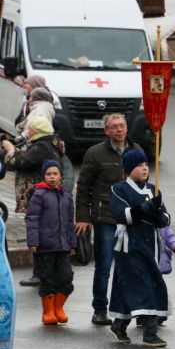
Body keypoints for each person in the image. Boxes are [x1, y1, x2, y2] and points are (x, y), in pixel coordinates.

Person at [75, 113, 143, 326]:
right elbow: (83, 187)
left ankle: (134, 307)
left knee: (133, 266)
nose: (119, 130)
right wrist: (83, 217)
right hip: (105, 217)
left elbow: (144, 182)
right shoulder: (95, 154)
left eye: (122, 125)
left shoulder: (137, 150)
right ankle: (100, 309)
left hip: (132, 217)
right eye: (114, 127)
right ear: (106, 131)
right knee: (104, 266)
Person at [108, 149, 171, 347]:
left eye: (146, 164)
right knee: (143, 285)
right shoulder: (119, 189)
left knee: (135, 285)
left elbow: (166, 218)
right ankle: (150, 332)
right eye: (139, 165)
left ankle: (119, 324)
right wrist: (143, 209)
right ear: (128, 170)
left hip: (149, 245)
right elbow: (121, 214)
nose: (144, 168)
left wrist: (158, 215)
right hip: (129, 246)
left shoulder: (154, 189)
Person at [3, 117, 62, 288]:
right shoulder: (50, 144)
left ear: (36, 131)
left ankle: (40, 274)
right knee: (44, 234)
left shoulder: (41, 147)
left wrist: (10, 150)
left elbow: (20, 163)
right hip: (46, 198)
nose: (26, 132)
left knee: (37, 235)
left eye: (29, 129)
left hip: (37, 199)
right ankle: (48, 272)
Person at [25, 160, 76, 325]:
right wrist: (33, 241)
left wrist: (72, 243)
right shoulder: (39, 194)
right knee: (47, 278)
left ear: (61, 176)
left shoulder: (66, 195)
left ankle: (59, 308)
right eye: (49, 174)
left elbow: (69, 222)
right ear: (44, 176)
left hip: (63, 246)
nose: (52, 177)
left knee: (66, 277)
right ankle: (48, 311)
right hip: (45, 246)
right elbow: (32, 219)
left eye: (55, 174)